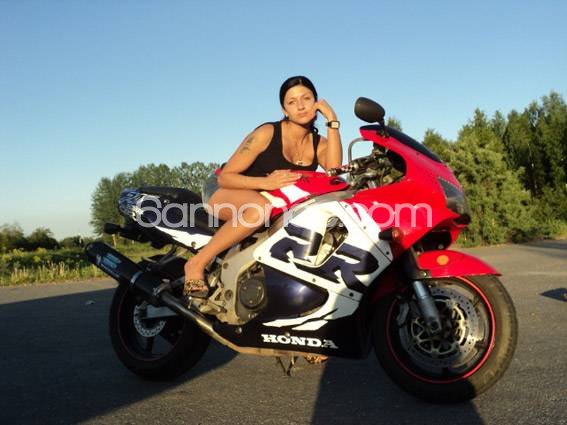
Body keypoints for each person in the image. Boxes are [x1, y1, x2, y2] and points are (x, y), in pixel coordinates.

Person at [184, 75, 343, 298]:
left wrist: (333, 121)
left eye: (306, 98)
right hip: (224, 188)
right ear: (284, 110)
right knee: (259, 209)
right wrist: (265, 183)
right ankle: (196, 264)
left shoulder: (319, 144)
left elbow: (334, 173)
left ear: (317, 103)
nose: (300, 106)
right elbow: (226, 177)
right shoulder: (267, 133)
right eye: (292, 102)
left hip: (264, 197)